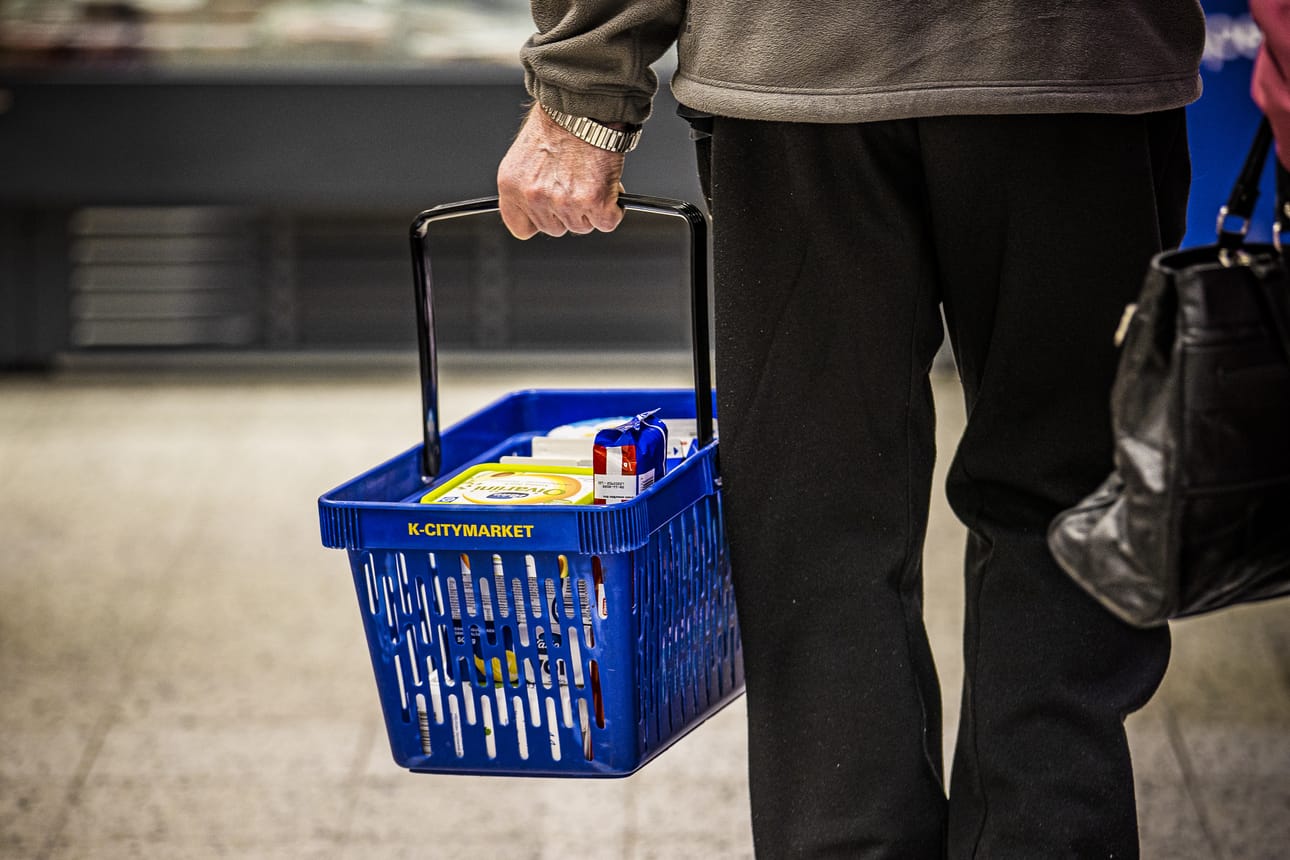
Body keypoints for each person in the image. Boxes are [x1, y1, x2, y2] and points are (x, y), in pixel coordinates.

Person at [497, 2, 1206, 856]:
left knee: (820, 520)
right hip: (1073, 55)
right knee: (1067, 513)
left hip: (806, 61)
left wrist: (586, 80)